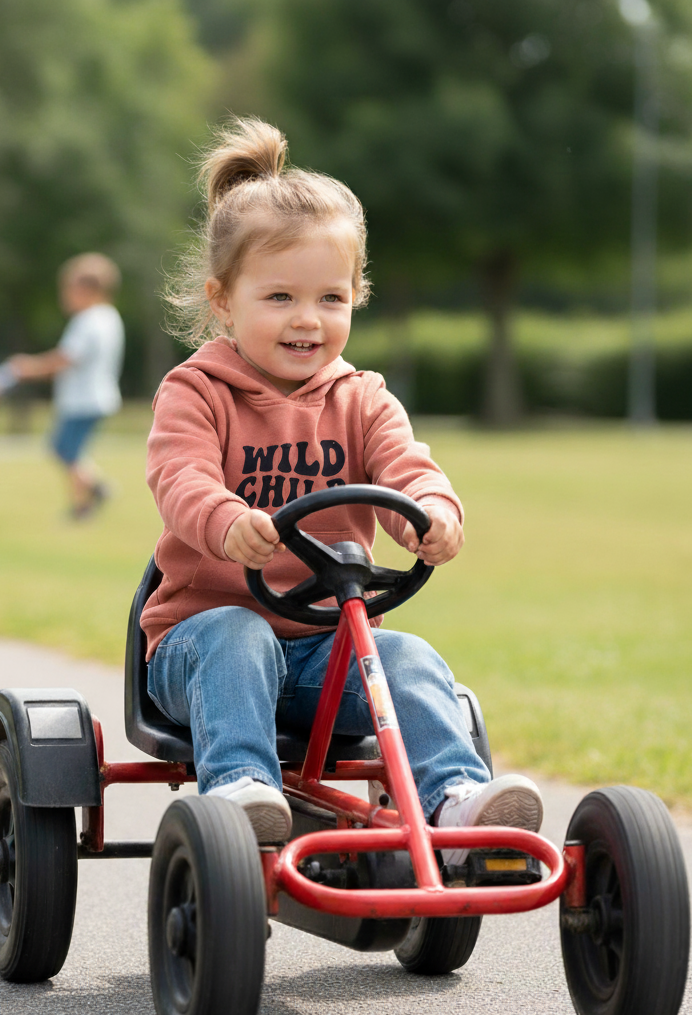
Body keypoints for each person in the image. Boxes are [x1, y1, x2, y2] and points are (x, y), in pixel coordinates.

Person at [142, 117, 543, 849]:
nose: (308, 320)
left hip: (330, 646)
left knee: (412, 657)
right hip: (199, 648)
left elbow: (406, 463)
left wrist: (430, 510)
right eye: (279, 299)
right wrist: (225, 519)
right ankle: (240, 788)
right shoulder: (195, 390)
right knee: (238, 635)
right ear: (223, 300)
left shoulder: (361, 397)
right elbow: (179, 475)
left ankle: (454, 795)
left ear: (355, 296)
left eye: (329, 298)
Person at [5, 253, 124, 519]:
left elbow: (65, 358)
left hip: (83, 399)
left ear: (87, 290)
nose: (65, 296)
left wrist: (29, 367)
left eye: (68, 289)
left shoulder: (87, 320)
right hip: (99, 396)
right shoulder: (109, 317)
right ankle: (85, 500)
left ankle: (93, 492)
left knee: (64, 450)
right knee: (70, 451)